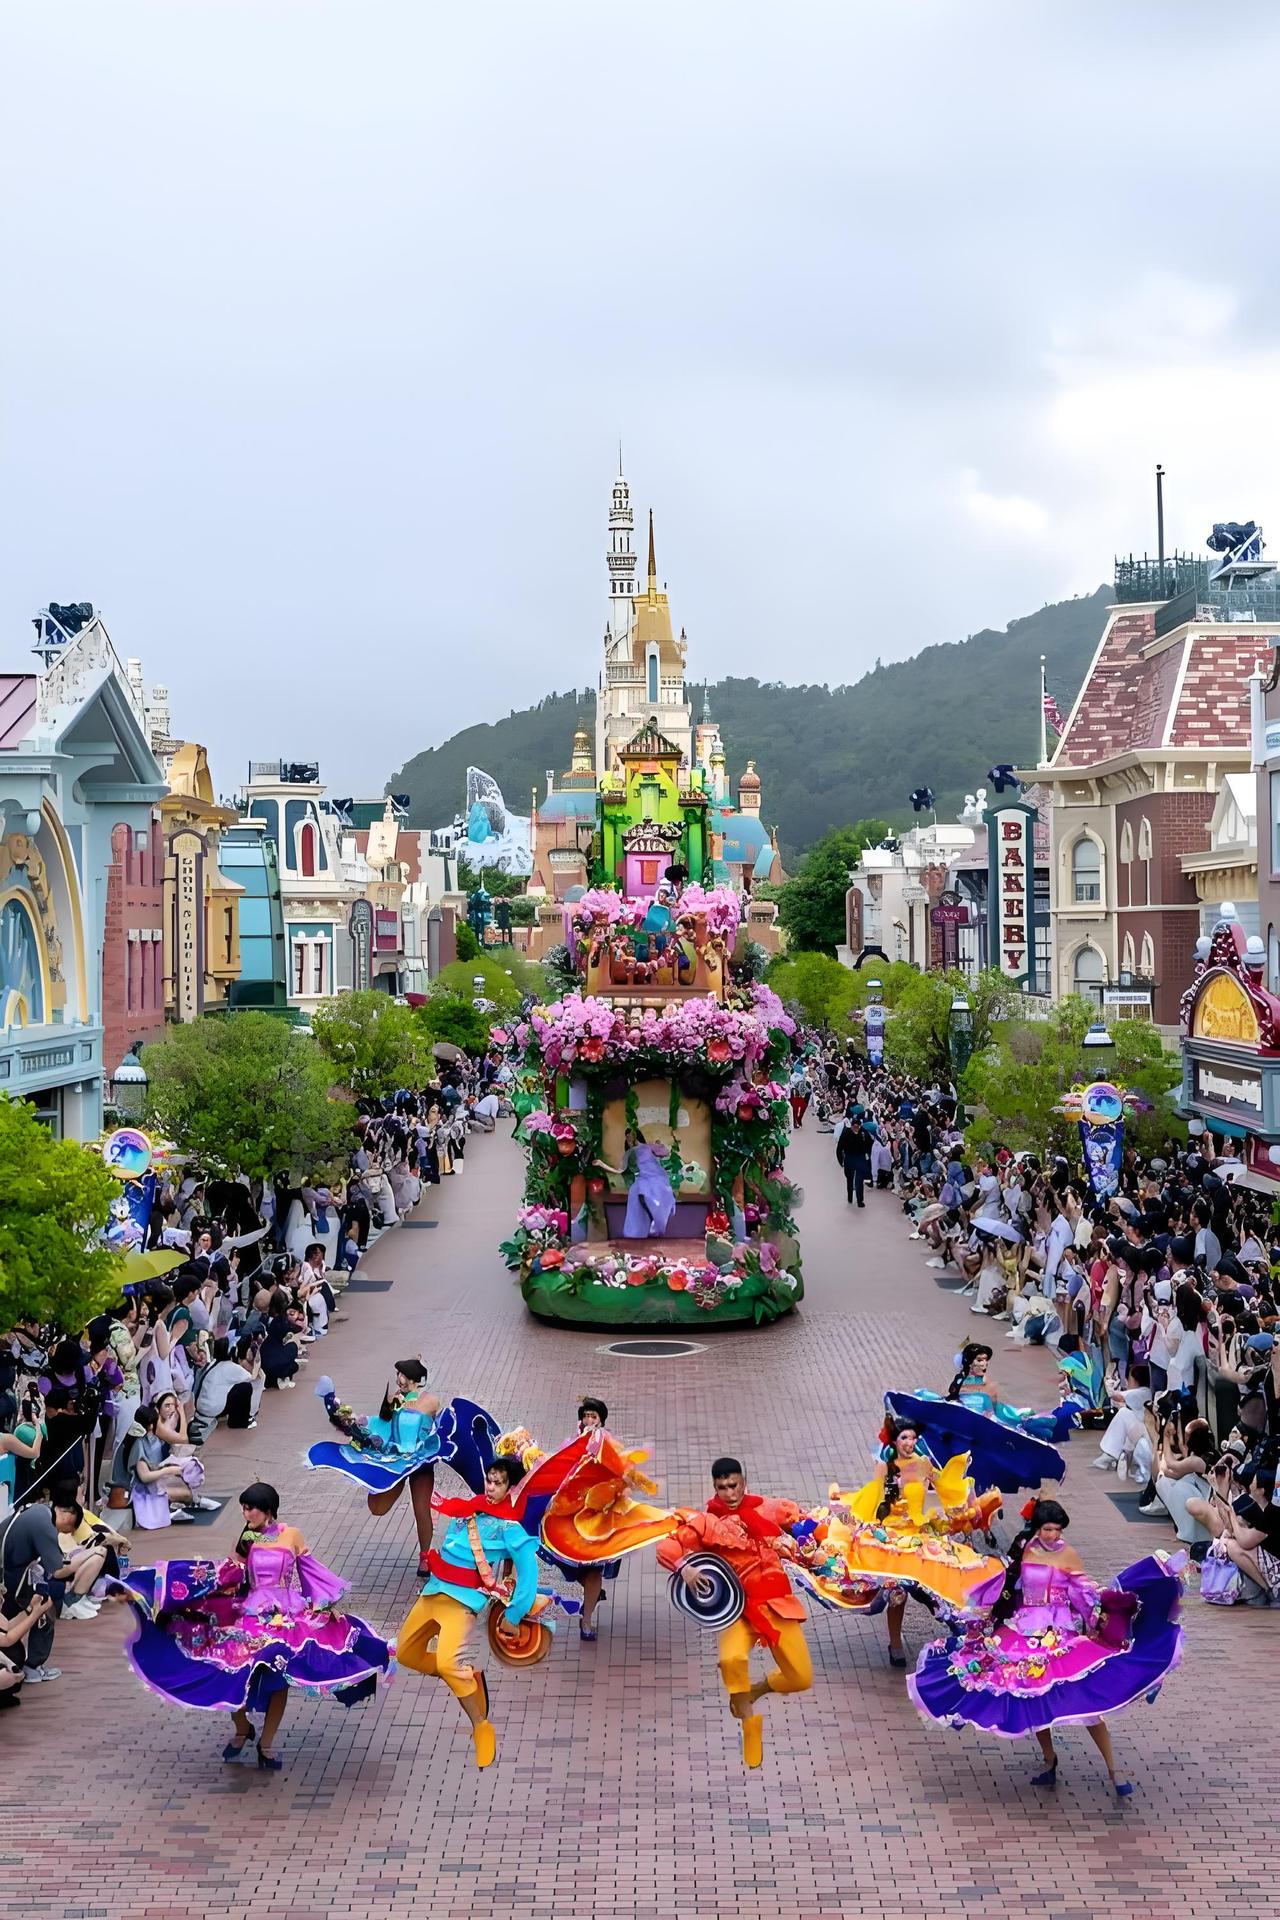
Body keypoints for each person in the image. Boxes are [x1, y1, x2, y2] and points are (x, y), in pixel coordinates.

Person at [105, 1480, 392, 1769]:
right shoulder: (248, 1537)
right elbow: (224, 1572)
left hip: (287, 1615)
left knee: (278, 1670)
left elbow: (310, 1571)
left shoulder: (291, 1534)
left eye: (250, 1508)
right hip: (252, 1614)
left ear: (267, 1510)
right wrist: (156, 1589)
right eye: (243, 1508)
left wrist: (328, 1605)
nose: (246, 1514)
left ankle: (266, 1745)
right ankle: (242, 1728)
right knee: (236, 1668)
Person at [909, 1497, 1184, 1797]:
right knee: (1033, 1695)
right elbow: (1007, 1583)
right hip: (1023, 1631)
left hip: (1059, 1634)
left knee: (1088, 1704)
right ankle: (1049, 1760)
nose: (1053, 1535)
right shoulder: (1024, 1548)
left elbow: (1082, 1593)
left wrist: (1102, 1608)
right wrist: (982, 1608)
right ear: (1037, 1528)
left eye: (1057, 1530)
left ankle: (1113, 1770)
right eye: (1048, 1529)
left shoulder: (1067, 1555)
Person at [656, 1455, 811, 1769]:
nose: (729, 1493)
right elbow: (667, 1547)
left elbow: (807, 1525)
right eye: (722, 1487)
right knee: (731, 1660)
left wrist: (818, 1542)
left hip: (777, 1606)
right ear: (714, 1488)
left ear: (744, 1483)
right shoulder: (705, 1522)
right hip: (740, 1610)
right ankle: (749, 1724)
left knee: (801, 1677)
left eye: (734, 1485)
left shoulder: (767, 1509)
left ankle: (756, 1691)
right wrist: (684, 1567)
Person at [397, 1454, 540, 1769]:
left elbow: (530, 1572)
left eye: (498, 1482)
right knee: (405, 1653)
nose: (490, 1487)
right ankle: (468, 1677)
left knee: (448, 1665)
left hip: (461, 1605)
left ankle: (480, 1723)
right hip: (432, 1592)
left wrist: (514, 1616)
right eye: (489, 1479)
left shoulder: (509, 1526)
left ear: (510, 1488)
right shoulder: (469, 1507)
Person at [309, 1359, 444, 1574]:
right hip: (396, 1461)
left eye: (402, 1375)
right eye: (397, 1375)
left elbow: (436, 1426)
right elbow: (383, 1424)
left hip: (420, 1461)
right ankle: (333, 1405)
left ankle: (425, 1556)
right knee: (377, 1507)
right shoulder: (394, 1400)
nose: (398, 1380)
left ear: (414, 1379)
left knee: (421, 1508)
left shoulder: (431, 1401)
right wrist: (362, 1425)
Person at [0, 1481, 81, 1685]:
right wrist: (88, 1557)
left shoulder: (37, 1510)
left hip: (11, 1574)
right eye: (68, 1528)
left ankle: (30, 1664)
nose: (64, 1533)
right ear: (66, 1514)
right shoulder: (45, 1524)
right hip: (11, 1577)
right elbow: (58, 1570)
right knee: (47, 1606)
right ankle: (34, 1665)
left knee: (25, 1615)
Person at [836, 1114, 873, 1208]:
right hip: (849, 1159)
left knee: (859, 1181)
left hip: (860, 1159)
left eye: (858, 1127)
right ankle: (850, 1197)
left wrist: (868, 1156)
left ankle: (860, 1200)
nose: (856, 1128)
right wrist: (841, 1161)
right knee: (849, 1179)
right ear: (851, 1126)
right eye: (854, 1127)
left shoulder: (864, 1133)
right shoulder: (846, 1134)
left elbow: (869, 1145)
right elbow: (839, 1148)